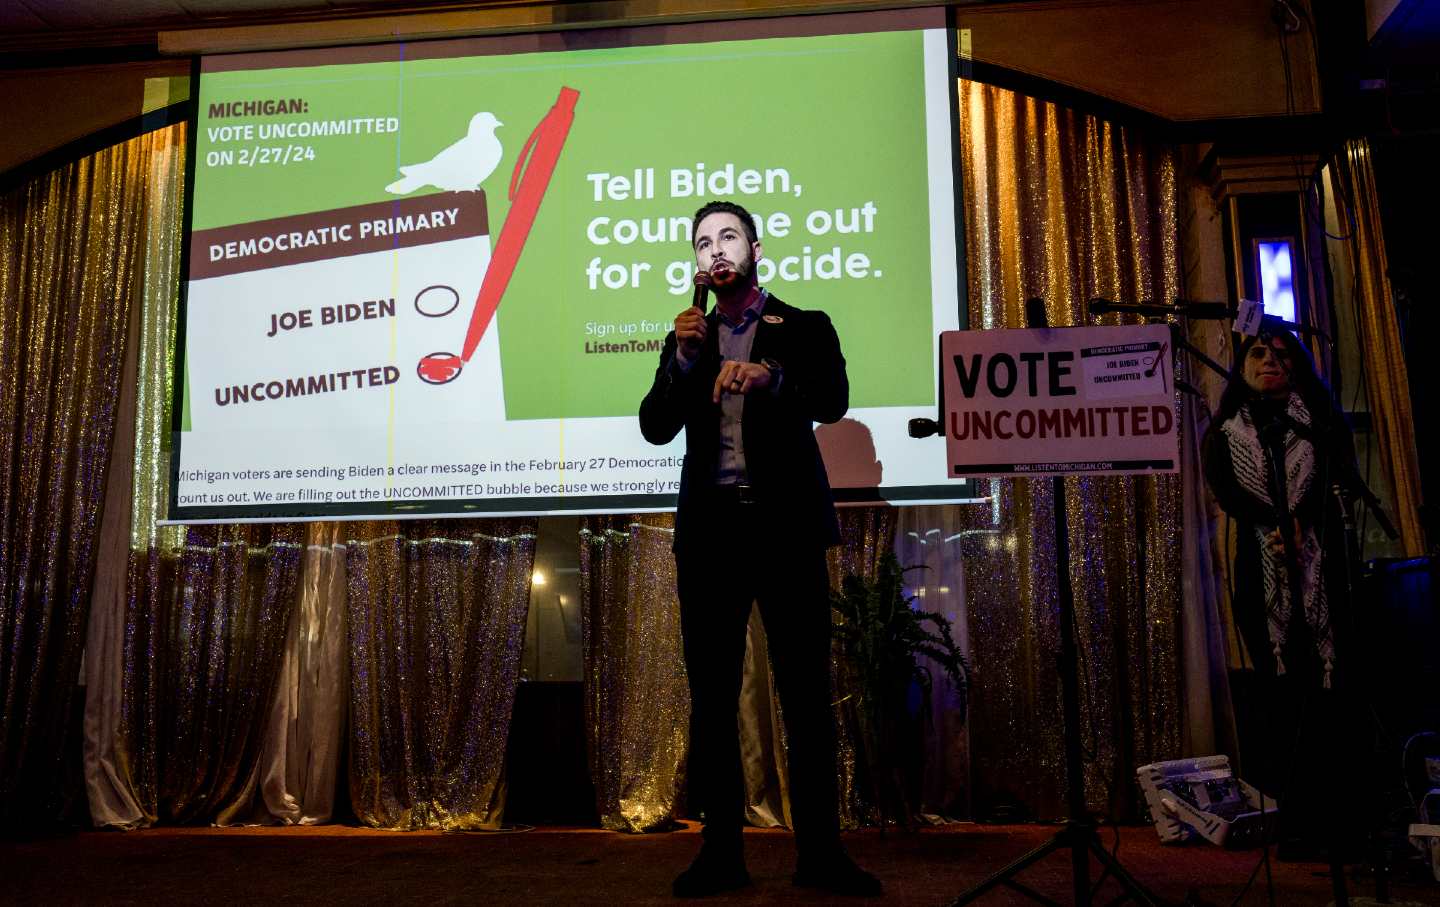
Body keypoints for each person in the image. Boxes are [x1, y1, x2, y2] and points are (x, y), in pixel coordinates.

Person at [639, 201, 880, 898]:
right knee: (712, 700)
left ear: (756, 249)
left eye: (729, 238)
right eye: (703, 242)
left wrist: (774, 380)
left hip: (786, 533)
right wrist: (684, 362)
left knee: (805, 697)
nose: (716, 250)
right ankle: (721, 855)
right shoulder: (690, 336)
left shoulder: (803, 326)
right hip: (712, 539)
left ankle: (822, 855)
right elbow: (656, 425)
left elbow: (832, 400)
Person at [1201, 326, 1370, 860]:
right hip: (1260, 569)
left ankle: (1341, 823)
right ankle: (1295, 824)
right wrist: (1274, 524)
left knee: (1331, 692)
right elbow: (1225, 489)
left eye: (1280, 354)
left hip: (1326, 569)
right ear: (1243, 368)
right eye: (1257, 353)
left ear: (1295, 366)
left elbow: (1338, 474)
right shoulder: (1224, 431)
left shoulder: (1318, 423)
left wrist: (1300, 522)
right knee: (1281, 697)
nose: (1269, 360)